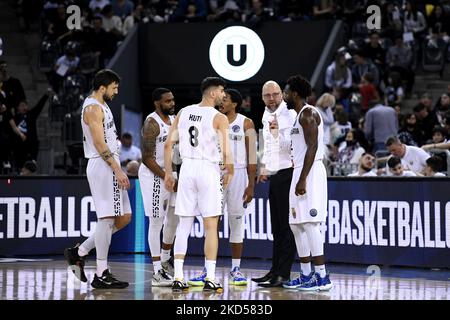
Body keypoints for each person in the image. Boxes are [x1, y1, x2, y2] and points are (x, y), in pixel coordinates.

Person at [164, 77, 233, 292]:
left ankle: (177, 276)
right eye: (222, 90)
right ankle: (210, 278)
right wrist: (229, 169)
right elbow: (226, 152)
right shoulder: (219, 117)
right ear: (212, 93)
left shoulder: (184, 112)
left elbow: (168, 144)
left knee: (183, 225)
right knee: (211, 226)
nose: (224, 94)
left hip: (186, 169)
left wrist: (168, 172)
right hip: (207, 169)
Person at [64, 69, 131, 289]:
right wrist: (117, 169)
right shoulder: (93, 107)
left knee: (124, 217)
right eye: (114, 87)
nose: (116, 91)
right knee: (108, 218)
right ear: (103, 87)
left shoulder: (101, 104)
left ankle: (79, 251)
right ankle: (101, 273)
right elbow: (100, 144)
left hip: (110, 164)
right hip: (103, 165)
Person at [282, 74, 332, 291]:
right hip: (300, 171)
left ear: (294, 93)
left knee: (311, 225)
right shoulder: (297, 116)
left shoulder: (308, 114)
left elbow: (312, 147)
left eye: (285, 92)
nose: (283, 96)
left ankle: (322, 277)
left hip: (310, 174)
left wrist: (302, 178)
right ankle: (305, 274)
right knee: (296, 225)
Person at [251, 80, 296, 287]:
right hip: (275, 173)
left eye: (276, 94)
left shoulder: (291, 114)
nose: (272, 98)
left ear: (282, 94)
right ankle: (274, 270)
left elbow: (292, 147)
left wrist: (278, 133)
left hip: (289, 171)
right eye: (268, 95)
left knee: (286, 226)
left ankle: (284, 273)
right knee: (276, 226)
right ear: (262, 97)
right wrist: (264, 166)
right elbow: (267, 144)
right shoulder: (265, 114)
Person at [138, 88, 179, 287]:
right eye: (167, 101)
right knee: (156, 222)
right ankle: (156, 272)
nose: (172, 103)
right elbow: (146, 158)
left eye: (172, 100)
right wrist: (166, 177)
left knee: (175, 218)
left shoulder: (173, 121)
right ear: (157, 103)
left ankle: (165, 259)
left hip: (170, 173)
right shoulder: (151, 123)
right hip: (154, 175)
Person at [217, 88, 256, 285]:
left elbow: (252, 157)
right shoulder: (214, 120)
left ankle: (235, 268)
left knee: (236, 222)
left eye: (225, 100)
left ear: (235, 104)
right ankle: (210, 270)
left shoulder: (246, 123)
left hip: (239, 174)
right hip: (216, 173)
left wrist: (251, 185)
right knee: (212, 221)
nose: (221, 102)